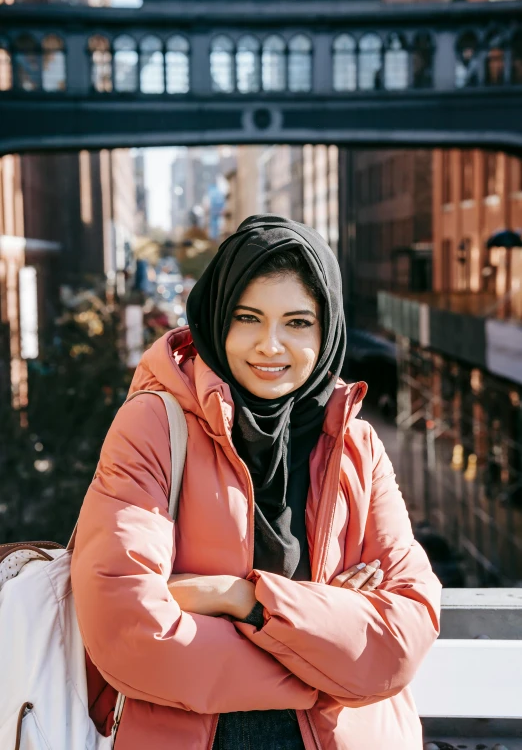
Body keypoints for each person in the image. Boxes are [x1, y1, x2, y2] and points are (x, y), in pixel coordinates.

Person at [72, 215, 441, 750]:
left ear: (326, 329)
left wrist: (241, 599)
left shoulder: (355, 444)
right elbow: (130, 633)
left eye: (297, 323)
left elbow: (400, 641)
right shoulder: (154, 424)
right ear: (219, 320)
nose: (271, 346)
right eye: (249, 318)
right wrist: (327, 651)